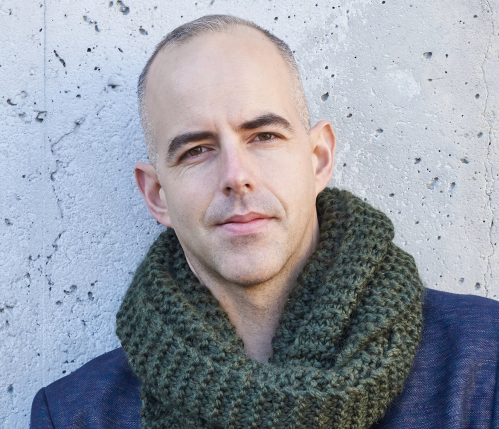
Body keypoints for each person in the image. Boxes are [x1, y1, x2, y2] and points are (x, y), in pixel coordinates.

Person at [30, 15, 499, 429]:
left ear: (318, 159)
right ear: (157, 195)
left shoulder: (481, 364)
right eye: (196, 150)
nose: (237, 177)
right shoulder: (77, 414)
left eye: (264, 136)